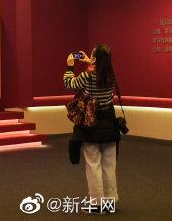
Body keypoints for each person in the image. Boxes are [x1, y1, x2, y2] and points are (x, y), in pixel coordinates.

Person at [64, 43, 120, 214]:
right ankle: (110, 202)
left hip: (91, 126)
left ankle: (96, 203)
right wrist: (90, 61)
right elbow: (99, 71)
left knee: (93, 164)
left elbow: (69, 83)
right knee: (109, 165)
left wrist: (70, 66)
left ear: (95, 59)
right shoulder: (111, 75)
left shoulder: (87, 75)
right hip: (109, 125)